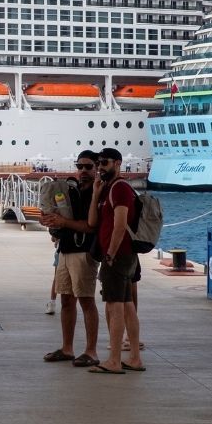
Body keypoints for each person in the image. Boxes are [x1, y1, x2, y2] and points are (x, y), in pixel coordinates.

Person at [39, 151, 102, 367]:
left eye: (88, 167)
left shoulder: (96, 193)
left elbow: (91, 226)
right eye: (80, 166)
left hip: (84, 251)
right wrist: (52, 221)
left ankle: (91, 351)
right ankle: (67, 348)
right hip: (65, 250)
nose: (83, 171)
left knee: (86, 301)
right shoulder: (72, 190)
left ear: (97, 168)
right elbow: (62, 217)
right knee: (66, 299)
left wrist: (63, 222)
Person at [86, 148, 144, 374]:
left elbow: (120, 225)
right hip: (121, 255)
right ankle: (135, 359)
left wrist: (109, 253)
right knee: (127, 306)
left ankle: (114, 360)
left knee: (115, 305)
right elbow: (92, 222)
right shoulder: (107, 189)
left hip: (118, 256)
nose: (100, 166)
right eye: (98, 162)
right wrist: (95, 194)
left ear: (118, 163)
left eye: (105, 162)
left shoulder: (120, 188)